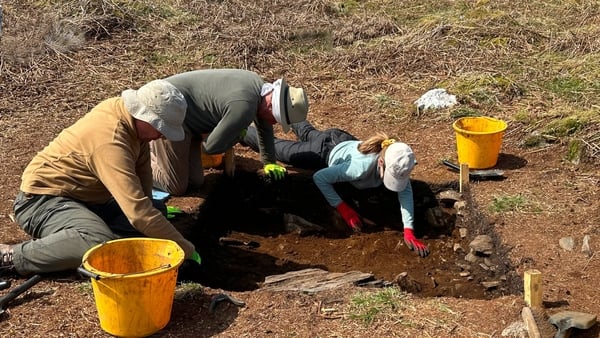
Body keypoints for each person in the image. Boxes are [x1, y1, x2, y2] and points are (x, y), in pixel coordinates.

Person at [0, 80, 201, 276]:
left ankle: (76, 241)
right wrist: (186, 248)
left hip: (87, 200)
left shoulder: (128, 119)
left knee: (155, 210)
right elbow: (139, 214)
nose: (162, 136)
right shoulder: (110, 140)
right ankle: (11, 257)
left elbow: (143, 175)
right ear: (144, 116)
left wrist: (150, 208)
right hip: (42, 201)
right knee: (97, 240)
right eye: (161, 128)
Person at [241, 121, 430, 257]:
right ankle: (240, 131)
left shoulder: (398, 158)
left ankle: (291, 115)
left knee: (307, 132)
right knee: (278, 149)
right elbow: (320, 177)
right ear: (381, 162)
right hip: (323, 151)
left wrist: (408, 230)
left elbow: (404, 191)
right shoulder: (359, 169)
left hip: (340, 140)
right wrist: (343, 209)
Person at [150, 69, 309, 196]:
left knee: (195, 181)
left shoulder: (259, 87)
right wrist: (238, 135)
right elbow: (210, 147)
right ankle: (137, 165)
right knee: (175, 186)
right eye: (277, 119)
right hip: (167, 109)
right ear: (271, 107)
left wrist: (269, 162)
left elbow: (264, 126)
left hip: (189, 122)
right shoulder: (243, 107)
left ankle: (157, 156)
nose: (274, 123)